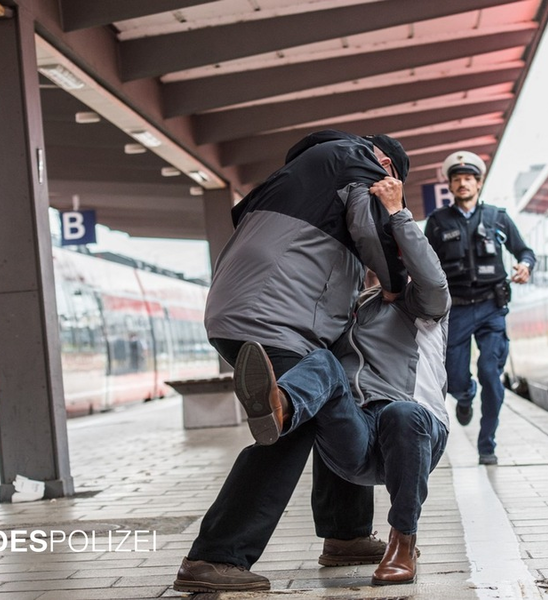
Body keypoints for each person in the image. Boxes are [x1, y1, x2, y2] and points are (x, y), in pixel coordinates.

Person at [174, 130, 411, 593]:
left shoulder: (295, 176)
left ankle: (347, 534)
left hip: (236, 309)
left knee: (334, 398)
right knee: (288, 422)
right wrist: (397, 282)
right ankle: (215, 556)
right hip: (276, 317)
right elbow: (373, 231)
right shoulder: (361, 160)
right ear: (389, 162)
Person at [231, 179, 450, 585]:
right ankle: (280, 407)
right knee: (323, 362)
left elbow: (434, 282)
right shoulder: (344, 312)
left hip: (414, 430)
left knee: (402, 413)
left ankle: (403, 542)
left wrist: (398, 213)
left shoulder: (423, 306)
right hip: (356, 439)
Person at [424, 150, 535, 466]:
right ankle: (465, 396)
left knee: (490, 371)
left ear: (478, 183)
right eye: (457, 179)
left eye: (468, 179)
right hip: (456, 311)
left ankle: (487, 444)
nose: (462, 184)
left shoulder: (498, 218)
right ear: (450, 185)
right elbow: (423, 260)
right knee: (455, 380)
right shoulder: (437, 222)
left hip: (491, 307)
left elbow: (524, 251)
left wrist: (525, 266)